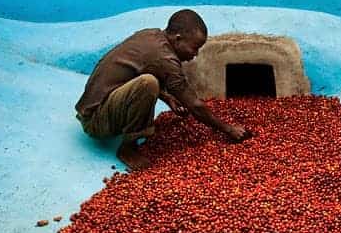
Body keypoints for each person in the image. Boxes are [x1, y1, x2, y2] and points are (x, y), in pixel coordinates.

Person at [74, 9, 250, 170]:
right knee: (148, 83)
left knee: (149, 80)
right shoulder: (165, 59)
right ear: (178, 39)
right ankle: (128, 148)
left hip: (97, 105)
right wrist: (228, 128)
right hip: (96, 121)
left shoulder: (151, 35)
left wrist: (166, 97)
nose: (195, 55)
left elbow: (137, 70)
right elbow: (195, 105)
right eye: (194, 48)